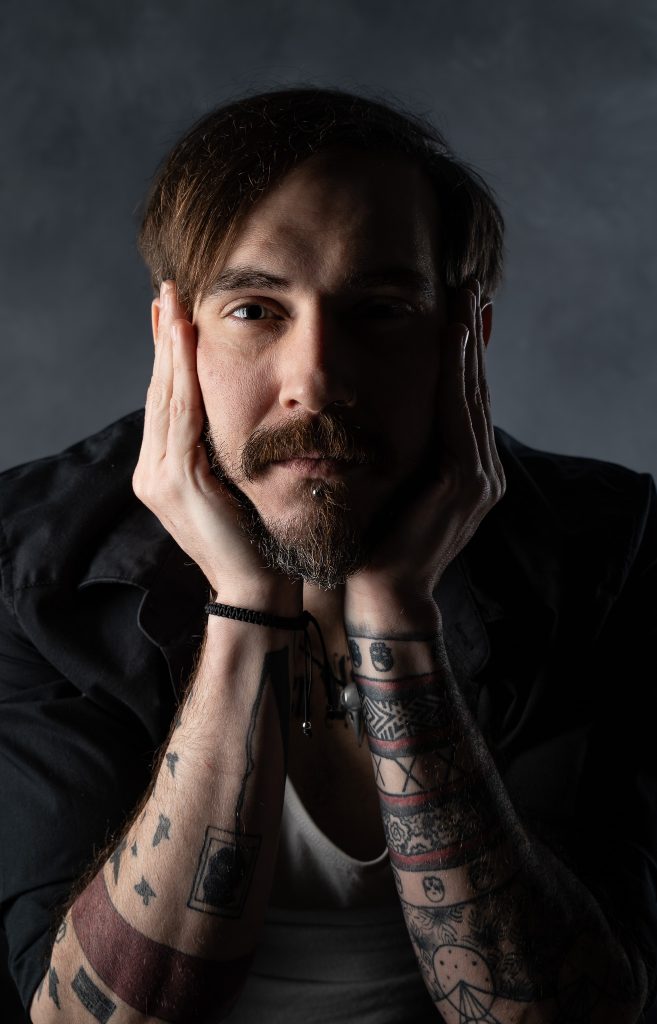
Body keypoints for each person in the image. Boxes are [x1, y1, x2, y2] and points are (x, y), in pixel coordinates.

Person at [0, 87, 655, 1024]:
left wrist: (396, 614)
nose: (315, 379)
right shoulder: (27, 567)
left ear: (462, 341)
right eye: (257, 309)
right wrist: (245, 609)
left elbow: (563, 1012)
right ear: (172, 340)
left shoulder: (609, 552)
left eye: (381, 309)